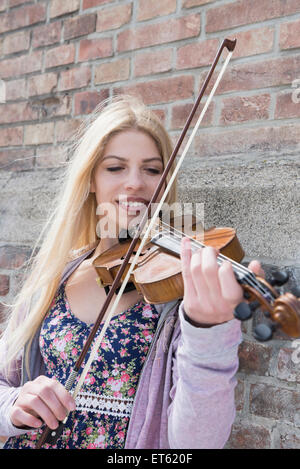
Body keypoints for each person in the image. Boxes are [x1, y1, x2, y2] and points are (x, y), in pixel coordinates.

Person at [0, 95, 263, 449]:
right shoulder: (55, 277)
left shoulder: (182, 291)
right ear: (91, 179)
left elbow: (196, 444)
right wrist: (14, 407)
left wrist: (207, 332)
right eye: (115, 168)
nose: (135, 183)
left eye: (152, 170)